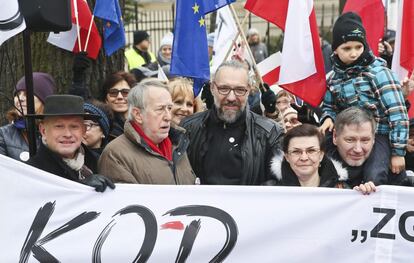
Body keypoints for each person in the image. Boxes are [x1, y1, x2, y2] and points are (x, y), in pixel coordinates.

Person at [319, 12, 409, 177]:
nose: (353, 53)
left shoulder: (379, 73)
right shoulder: (333, 78)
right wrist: (328, 117)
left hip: (380, 134)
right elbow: (329, 105)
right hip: (349, 135)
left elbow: (398, 113)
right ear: (335, 49)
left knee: (374, 175)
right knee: (328, 170)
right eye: (347, 48)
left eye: (358, 47)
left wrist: (398, 152)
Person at [181, 60, 284, 185]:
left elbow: (279, 186)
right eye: (224, 88)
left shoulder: (270, 134)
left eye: (239, 90)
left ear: (249, 90)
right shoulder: (188, 129)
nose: (231, 97)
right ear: (213, 88)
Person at [98, 80, 196, 185]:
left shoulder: (178, 145)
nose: (168, 116)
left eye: (169, 108)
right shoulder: (115, 154)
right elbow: (127, 200)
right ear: (138, 115)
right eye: (160, 109)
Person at [27, 95, 115, 192]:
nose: (67, 134)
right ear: (43, 130)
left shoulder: (99, 163)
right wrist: (81, 187)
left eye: (74, 126)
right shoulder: (31, 173)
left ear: (83, 130)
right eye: (59, 126)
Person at [329, 107, 406, 187]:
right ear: (335, 137)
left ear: (374, 139)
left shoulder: (392, 171)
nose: (358, 149)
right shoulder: (317, 164)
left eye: (365, 140)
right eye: (350, 140)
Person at [269, 124, 348, 188]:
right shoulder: (269, 192)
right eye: (296, 151)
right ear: (286, 157)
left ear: (321, 155)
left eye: (311, 151)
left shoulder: (342, 191)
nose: (304, 158)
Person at [0, 73, 55, 162]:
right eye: (17, 94)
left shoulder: (57, 132)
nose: (20, 98)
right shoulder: (3, 135)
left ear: (43, 100)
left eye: (27, 94)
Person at [100, 71, 136, 141]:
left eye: (125, 92)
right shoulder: (101, 128)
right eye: (113, 92)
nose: (120, 97)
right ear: (106, 99)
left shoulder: (144, 122)